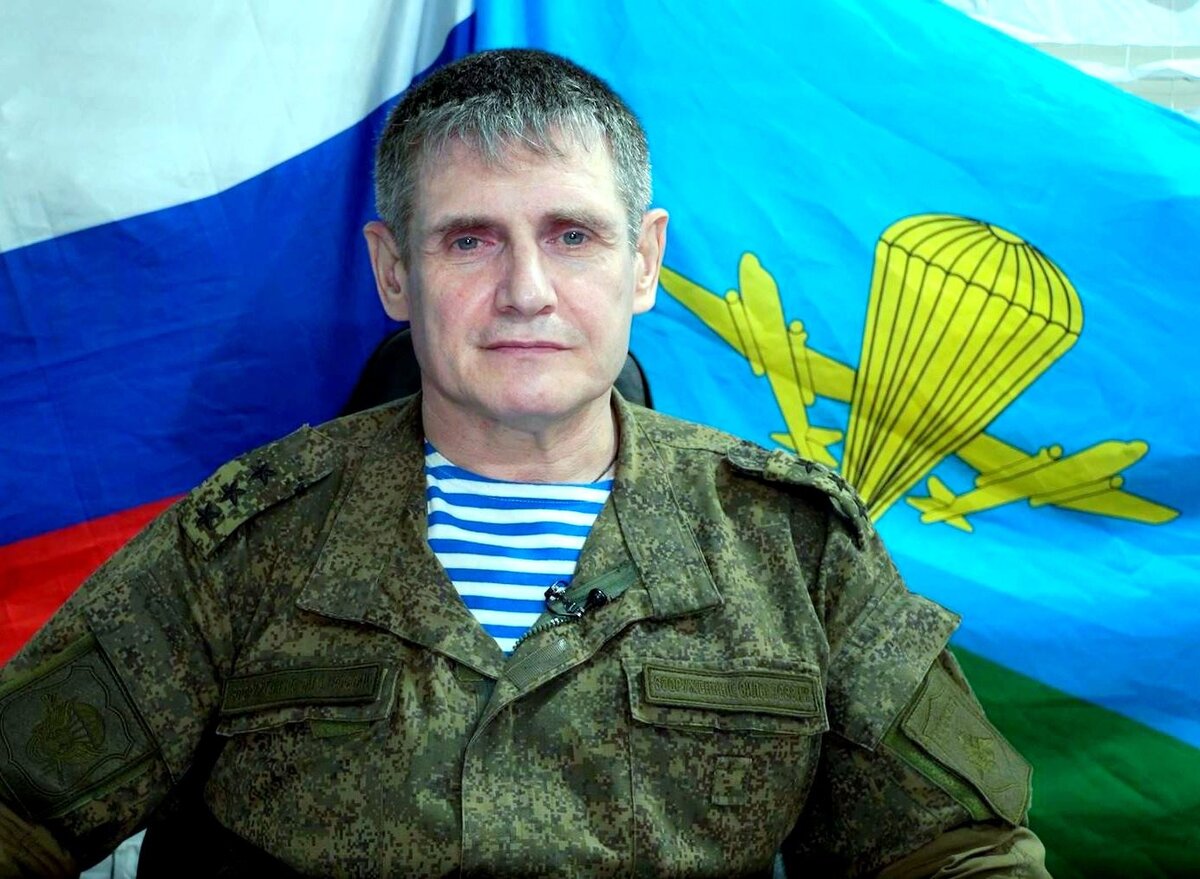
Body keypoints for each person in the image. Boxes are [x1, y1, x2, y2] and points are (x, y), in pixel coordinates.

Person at [0, 49, 1050, 878]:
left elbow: (958, 850)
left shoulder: (791, 543)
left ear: (644, 262)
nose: (527, 291)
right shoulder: (245, 537)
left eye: (572, 235)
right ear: (393, 272)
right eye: (470, 241)